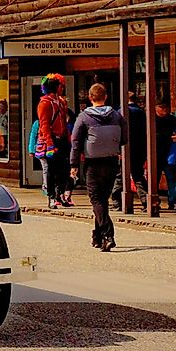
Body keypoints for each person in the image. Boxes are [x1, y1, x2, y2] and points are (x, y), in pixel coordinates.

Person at [70, 83, 125, 252]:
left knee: (96, 199)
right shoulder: (116, 116)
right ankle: (98, 236)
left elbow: (76, 141)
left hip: (92, 162)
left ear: (90, 97)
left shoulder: (84, 117)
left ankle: (108, 235)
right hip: (111, 161)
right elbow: (125, 137)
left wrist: (73, 164)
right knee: (102, 200)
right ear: (105, 97)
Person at [36, 74, 73, 209]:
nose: (62, 88)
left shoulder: (61, 102)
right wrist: (50, 144)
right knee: (52, 170)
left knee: (64, 170)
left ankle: (60, 194)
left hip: (62, 139)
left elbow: (64, 122)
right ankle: (51, 197)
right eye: (61, 86)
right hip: (52, 140)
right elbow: (44, 125)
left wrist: (69, 139)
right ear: (55, 87)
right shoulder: (45, 103)